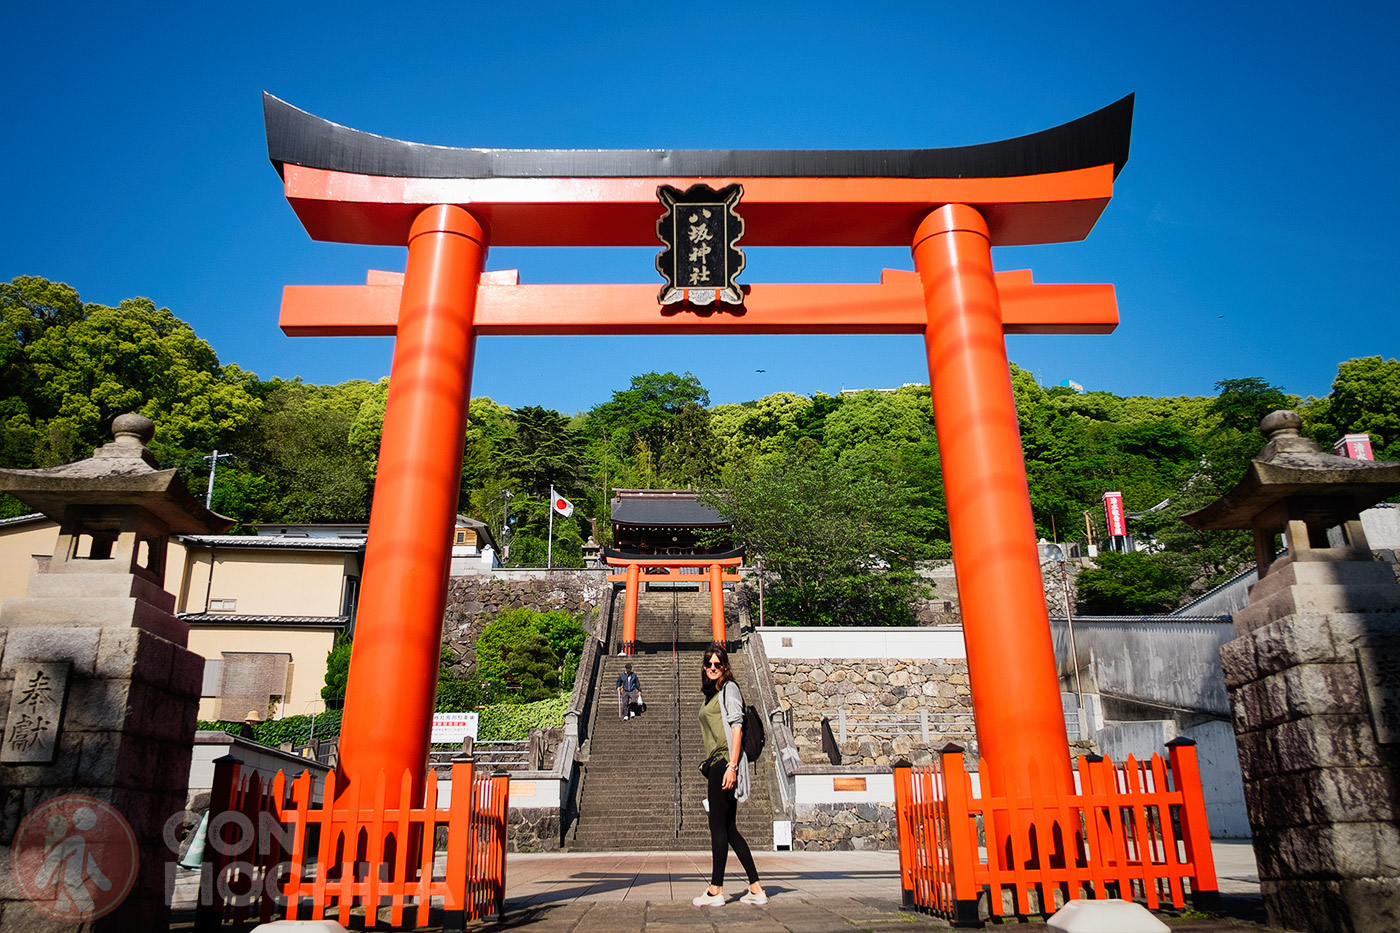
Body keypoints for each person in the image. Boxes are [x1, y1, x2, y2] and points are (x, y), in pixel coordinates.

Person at [692, 645, 766, 907]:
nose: (713, 668)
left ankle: (715, 890)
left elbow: (737, 727)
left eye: (718, 664)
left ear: (725, 667)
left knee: (717, 827)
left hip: (725, 762)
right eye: (709, 664)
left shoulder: (729, 688)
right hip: (716, 762)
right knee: (729, 829)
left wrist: (732, 767)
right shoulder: (710, 694)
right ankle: (756, 888)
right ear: (704, 667)